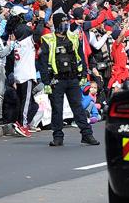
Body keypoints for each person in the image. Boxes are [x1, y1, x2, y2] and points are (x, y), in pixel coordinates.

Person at [36, 12, 100, 147]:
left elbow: (81, 57)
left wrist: (83, 75)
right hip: (56, 80)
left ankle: (87, 135)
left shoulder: (73, 37)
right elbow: (43, 62)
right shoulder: (48, 39)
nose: (65, 25)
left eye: (66, 22)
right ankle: (58, 137)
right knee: (57, 109)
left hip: (72, 79)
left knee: (78, 108)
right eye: (63, 22)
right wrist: (46, 82)